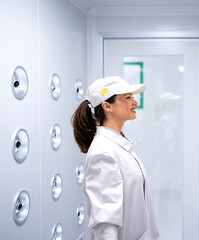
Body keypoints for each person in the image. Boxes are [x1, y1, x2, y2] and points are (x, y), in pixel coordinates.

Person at [71, 76, 160, 240]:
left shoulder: (118, 145)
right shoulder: (103, 152)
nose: (135, 103)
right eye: (128, 97)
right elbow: (105, 224)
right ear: (107, 106)